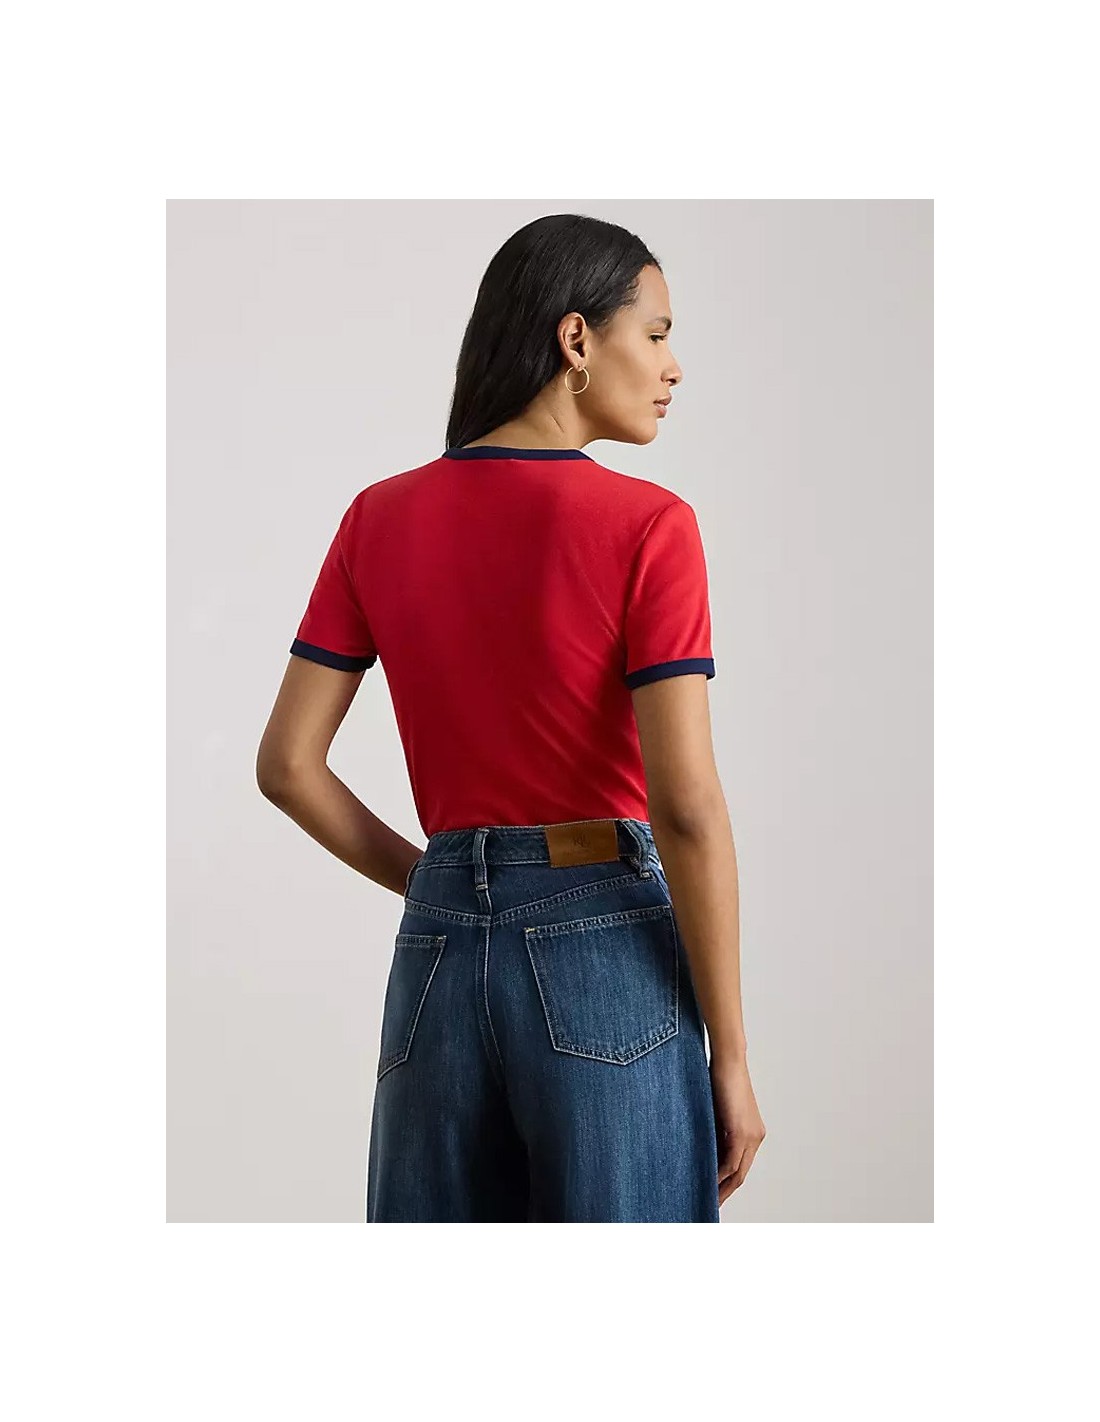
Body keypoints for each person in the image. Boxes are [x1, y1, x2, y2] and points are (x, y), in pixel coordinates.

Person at [256, 213, 765, 1222]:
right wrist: (733, 1057)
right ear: (577, 339)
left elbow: (287, 766)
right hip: (602, 945)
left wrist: (444, 880)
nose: (672, 366)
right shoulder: (649, 527)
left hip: (436, 957)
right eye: (655, 333)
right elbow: (687, 807)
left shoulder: (377, 517)